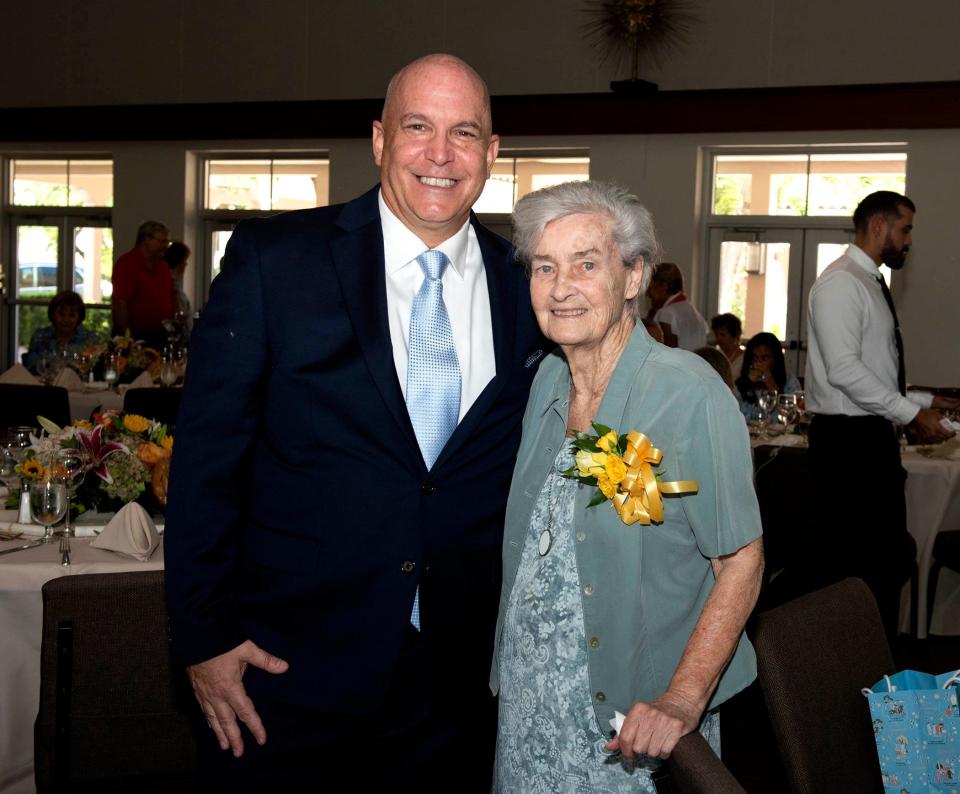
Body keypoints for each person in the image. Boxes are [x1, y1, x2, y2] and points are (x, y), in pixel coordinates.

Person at [164, 54, 544, 791]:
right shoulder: (277, 263)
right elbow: (208, 462)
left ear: (493, 154)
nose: (441, 154)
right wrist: (203, 638)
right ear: (378, 140)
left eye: (464, 132)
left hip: (455, 684)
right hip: (281, 672)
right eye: (417, 127)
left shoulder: (525, 285)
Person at [491, 181, 763, 791]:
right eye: (544, 267)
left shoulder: (685, 392)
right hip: (532, 708)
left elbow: (740, 561)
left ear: (634, 277)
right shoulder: (549, 385)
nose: (561, 287)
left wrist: (682, 701)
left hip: (629, 723)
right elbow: (594, 521)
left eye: (586, 264)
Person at [805, 190, 958, 639]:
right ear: (878, 226)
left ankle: (878, 674)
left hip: (866, 435)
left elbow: (871, 372)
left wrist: (926, 403)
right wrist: (910, 414)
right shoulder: (841, 283)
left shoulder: (868, 281)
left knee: (884, 565)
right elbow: (844, 371)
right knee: (856, 571)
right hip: (847, 443)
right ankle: (854, 677)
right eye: (905, 228)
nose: (909, 240)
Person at [111, 220, 174, 349]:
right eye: (161, 241)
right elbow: (120, 303)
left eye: (166, 242)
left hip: (161, 334)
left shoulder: (162, 266)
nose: (165, 246)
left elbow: (170, 295)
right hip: (136, 334)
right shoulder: (126, 264)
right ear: (146, 239)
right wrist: (128, 338)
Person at [23, 290, 100, 373]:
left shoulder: (90, 339)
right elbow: (31, 367)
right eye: (61, 314)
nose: (66, 320)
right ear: (52, 314)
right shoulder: (40, 336)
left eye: (71, 315)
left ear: (79, 317)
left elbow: (94, 370)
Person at [645, 261, 709, 349]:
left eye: (650, 286)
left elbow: (669, 353)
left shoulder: (666, 313)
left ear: (663, 286)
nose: (647, 293)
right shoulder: (692, 310)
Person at [735, 331, 801, 411]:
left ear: (776, 360)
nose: (758, 363)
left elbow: (791, 416)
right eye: (754, 358)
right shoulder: (740, 384)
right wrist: (747, 383)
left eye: (764, 358)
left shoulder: (790, 382)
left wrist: (771, 385)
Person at [162, 241, 192, 341]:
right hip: (173, 335)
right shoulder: (169, 283)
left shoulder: (175, 283)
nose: (186, 264)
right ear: (179, 263)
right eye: (185, 261)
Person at [711, 312, 744, 376]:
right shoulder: (715, 355)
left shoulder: (745, 358)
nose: (718, 339)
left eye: (723, 335)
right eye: (716, 335)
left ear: (735, 334)